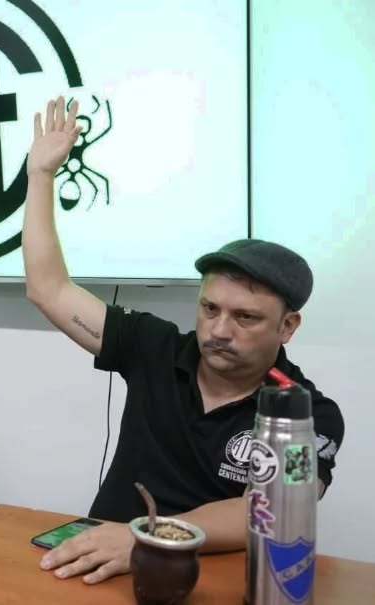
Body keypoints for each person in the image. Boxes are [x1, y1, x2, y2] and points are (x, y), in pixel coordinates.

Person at [21, 98, 345, 583]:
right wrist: (41, 175)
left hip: (207, 580)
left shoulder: (305, 413)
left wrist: (149, 536)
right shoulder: (153, 347)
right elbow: (48, 289)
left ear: (287, 327)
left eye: (245, 317)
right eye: (210, 308)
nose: (219, 330)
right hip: (99, 562)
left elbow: (276, 508)